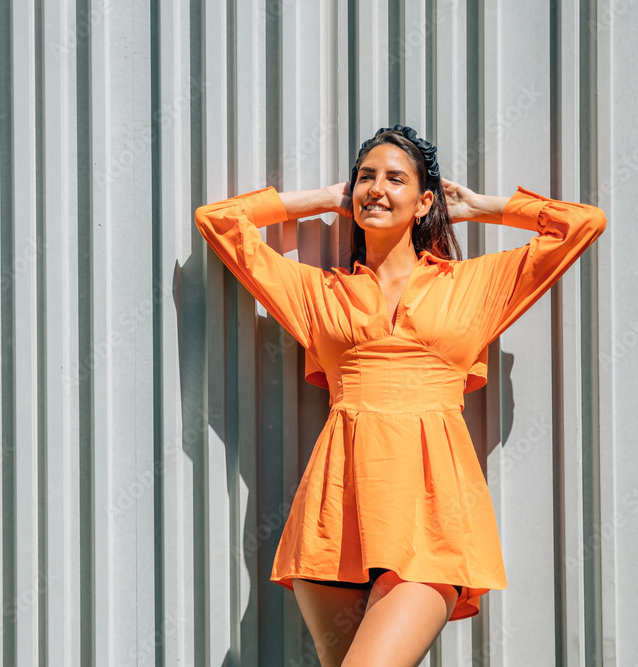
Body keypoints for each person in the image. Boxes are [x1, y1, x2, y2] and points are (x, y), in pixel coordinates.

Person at [194, 125, 606, 666]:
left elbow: (582, 224)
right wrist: (325, 198)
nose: (376, 188)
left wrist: (481, 207)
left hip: (432, 519)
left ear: (425, 199)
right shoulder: (321, 294)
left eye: (394, 178)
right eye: (366, 177)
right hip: (335, 522)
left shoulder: (472, 286)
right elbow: (218, 221)